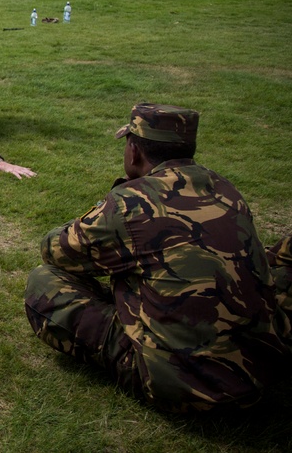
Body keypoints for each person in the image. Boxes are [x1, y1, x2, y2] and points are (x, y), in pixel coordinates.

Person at [24, 103, 291, 412]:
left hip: (184, 386)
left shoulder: (131, 203)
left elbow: (55, 250)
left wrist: (112, 205)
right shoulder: (225, 188)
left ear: (133, 150)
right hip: (260, 368)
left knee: (43, 282)